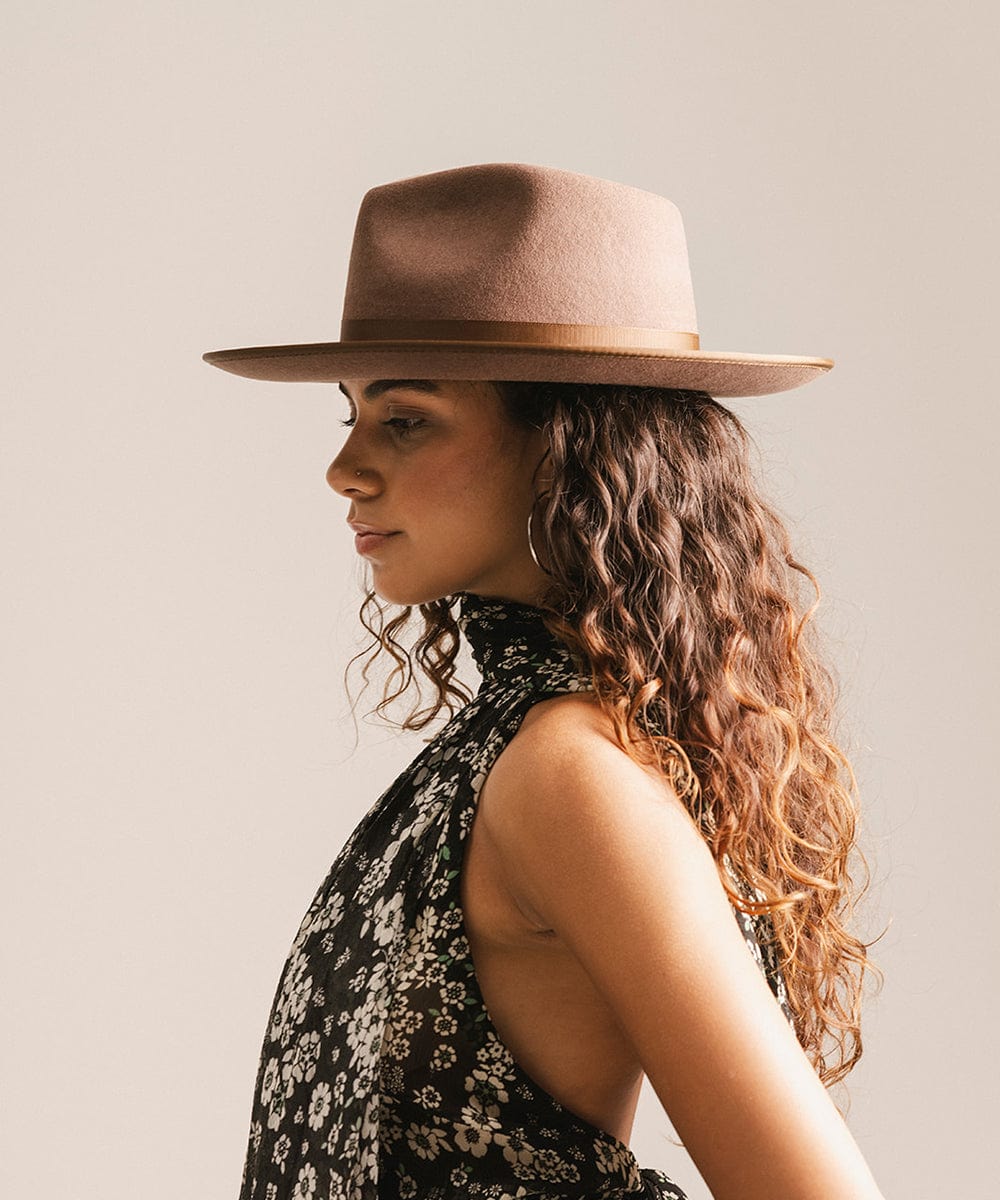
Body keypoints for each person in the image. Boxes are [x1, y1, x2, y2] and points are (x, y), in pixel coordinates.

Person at [203, 163, 884, 1200]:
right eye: (349, 414)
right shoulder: (503, 754)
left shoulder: (568, 774)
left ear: (566, 446)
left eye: (405, 418)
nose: (344, 468)